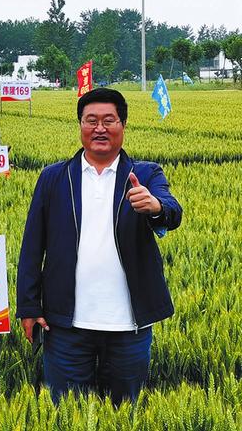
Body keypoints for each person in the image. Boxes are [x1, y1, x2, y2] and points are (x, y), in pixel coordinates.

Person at [16, 87, 182, 405]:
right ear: (80, 125)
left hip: (129, 326)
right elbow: (32, 246)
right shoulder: (53, 178)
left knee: (126, 412)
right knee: (66, 412)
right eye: (91, 120)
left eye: (109, 120)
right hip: (65, 326)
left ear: (123, 125)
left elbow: (172, 211)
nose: (100, 128)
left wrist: (155, 206)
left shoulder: (145, 174)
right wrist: (28, 307)